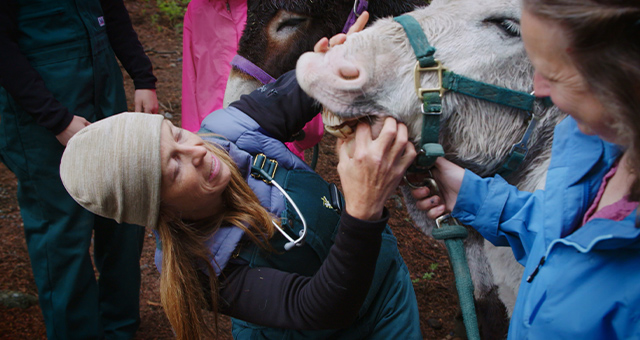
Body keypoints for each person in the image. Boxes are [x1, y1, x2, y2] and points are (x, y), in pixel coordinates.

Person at [60, 68, 422, 339]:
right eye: (174, 166)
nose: (198, 150)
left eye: (176, 133)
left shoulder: (230, 131)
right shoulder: (200, 270)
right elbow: (317, 308)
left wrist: (332, 62)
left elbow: (308, 84)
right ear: (161, 210)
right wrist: (362, 209)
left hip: (387, 292)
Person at [412, 0, 640, 338]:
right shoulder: (605, 150)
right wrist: (472, 196)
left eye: (554, 73)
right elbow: (563, 233)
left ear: (624, 71)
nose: (539, 90)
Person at [0, 0, 158, 339]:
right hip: (41, 114)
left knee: (122, 211)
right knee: (63, 231)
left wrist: (143, 76)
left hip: (105, 91)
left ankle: (120, 327)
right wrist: (56, 120)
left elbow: (112, 11)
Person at [181, 0, 324, 161]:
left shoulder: (271, 6)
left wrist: (305, 129)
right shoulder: (198, 9)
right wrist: (193, 136)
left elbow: (298, 58)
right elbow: (190, 75)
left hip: (273, 135)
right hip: (215, 139)